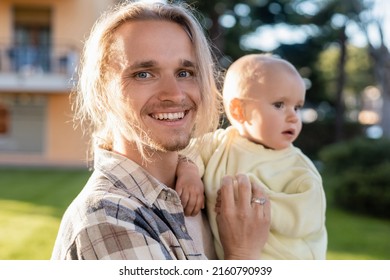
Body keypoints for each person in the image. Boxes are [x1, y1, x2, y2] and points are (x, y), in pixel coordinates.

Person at [51, 1, 270, 260]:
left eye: (185, 72)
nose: (174, 94)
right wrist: (243, 254)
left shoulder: (204, 179)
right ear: (102, 89)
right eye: (144, 74)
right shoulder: (109, 218)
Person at [180, 54, 327, 260]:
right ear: (239, 111)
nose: (294, 116)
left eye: (297, 107)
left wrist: (252, 203)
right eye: (279, 104)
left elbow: (309, 217)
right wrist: (190, 173)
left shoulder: (298, 166)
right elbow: (189, 152)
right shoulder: (221, 144)